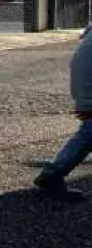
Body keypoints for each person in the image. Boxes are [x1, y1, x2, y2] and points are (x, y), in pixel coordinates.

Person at [34, 26, 92, 202]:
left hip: (83, 87)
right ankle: (53, 174)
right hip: (89, 89)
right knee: (89, 133)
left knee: (89, 131)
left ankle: (52, 173)